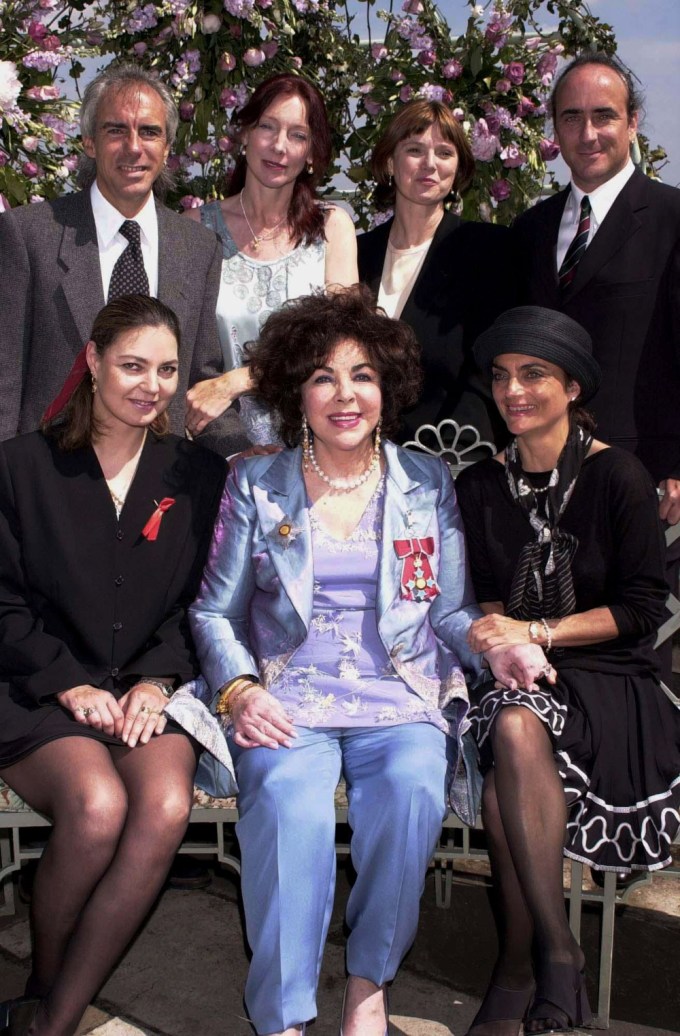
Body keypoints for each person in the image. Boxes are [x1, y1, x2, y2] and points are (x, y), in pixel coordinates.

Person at [188, 286, 536, 1036]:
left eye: (363, 375)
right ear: (295, 392)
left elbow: (448, 608)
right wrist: (241, 689)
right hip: (287, 693)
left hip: (399, 690)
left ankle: (370, 981)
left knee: (413, 790)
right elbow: (213, 610)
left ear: (389, 388)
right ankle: (282, 1014)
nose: (345, 395)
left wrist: (491, 642)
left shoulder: (424, 482)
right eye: (322, 376)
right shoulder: (256, 481)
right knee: (288, 807)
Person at [0, 295, 227, 1036]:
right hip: (38, 688)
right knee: (97, 809)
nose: (150, 385)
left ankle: (51, 1020)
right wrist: (68, 681)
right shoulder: (22, 467)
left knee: (161, 807)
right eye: (132, 364)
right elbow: (3, 604)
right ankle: (45, 982)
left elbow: (201, 604)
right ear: (93, 363)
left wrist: (159, 682)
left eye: (165, 369)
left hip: (148, 689)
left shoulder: (194, 473)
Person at [454, 306, 680, 1036]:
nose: (513, 390)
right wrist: (507, 640)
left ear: (574, 387)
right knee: (514, 731)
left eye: (534, 375)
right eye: (502, 376)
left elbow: (644, 608)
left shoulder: (617, 474)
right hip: (524, 676)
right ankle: (556, 958)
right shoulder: (482, 485)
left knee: (507, 767)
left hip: (613, 681)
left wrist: (539, 630)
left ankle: (525, 966)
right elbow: (487, 591)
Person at [0, 63, 237, 453]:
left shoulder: (199, 249)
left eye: (149, 132)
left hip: (156, 490)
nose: (133, 146)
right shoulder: (28, 236)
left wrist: (242, 453)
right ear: (89, 142)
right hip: (49, 482)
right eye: (116, 130)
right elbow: (5, 379)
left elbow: (199, 378)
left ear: (166, 148)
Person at [513, 53, 680, 525]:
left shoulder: (672, 218)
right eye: (572, 117)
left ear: (632, 123)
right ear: (555, 129)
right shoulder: (529, 230)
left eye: (604, 115)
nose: (588, 134)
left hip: (649, 485)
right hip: (542, 485)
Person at [184, 73, 358, 446]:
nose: (280, 146)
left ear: (311, 153)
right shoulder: (195, 229)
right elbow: (179, 350)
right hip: (217, 446)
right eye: (268, 127)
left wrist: (239, 380)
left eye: (297, 135)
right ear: (244, 134)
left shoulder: (333, 229)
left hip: (314, 443)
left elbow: (343, 347)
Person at [358, 99, 518, 448]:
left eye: (445, 153)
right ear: (389, 161)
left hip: (451, 463)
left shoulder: (487, 250)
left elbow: (489, 371)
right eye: (415, 150)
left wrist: (444, 460)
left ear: (458, 169)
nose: (430, 164)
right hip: (354, 464)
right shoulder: (356, 255)